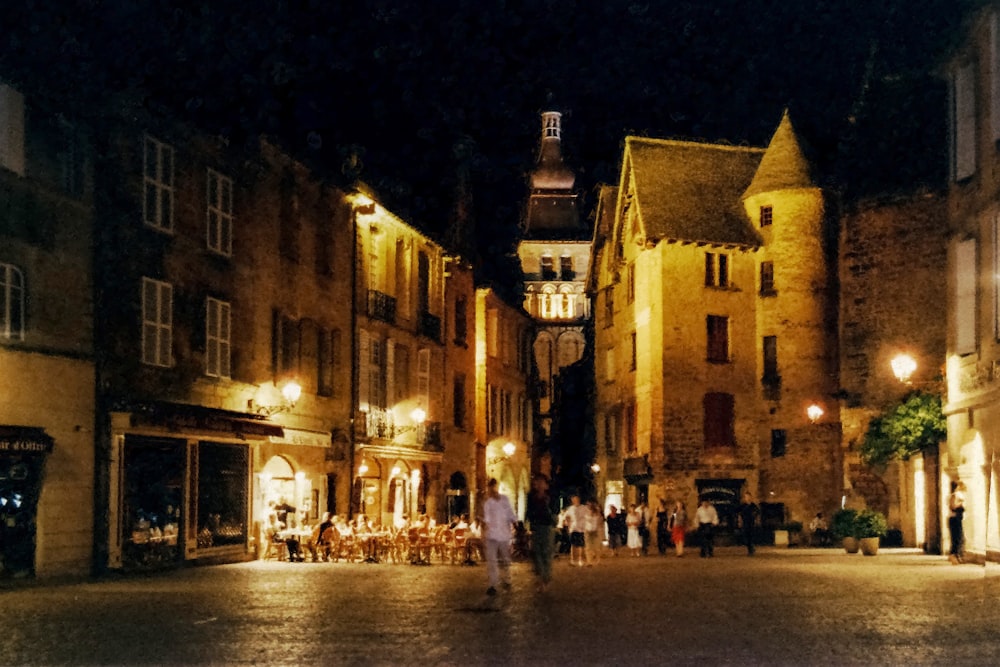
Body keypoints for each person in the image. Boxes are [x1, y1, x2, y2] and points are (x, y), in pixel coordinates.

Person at [481, 477, 517, 595]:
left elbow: (511, 514)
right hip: (492, 535)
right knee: (492, 561)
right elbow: (487, 520)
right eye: (490, 488)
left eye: (493, 487)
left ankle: (507, 578)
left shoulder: (505, 500)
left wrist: (515, 523)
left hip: (504, 535)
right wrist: (484, 534)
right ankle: (493, 584)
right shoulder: (488, 503)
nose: (491, 490)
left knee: (505, 558)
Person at [525, 473, 556, 591]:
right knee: (536, 553)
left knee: (546, 553)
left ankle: (545, 578)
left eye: (541, 482)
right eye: (536, 482)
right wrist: (527, 525)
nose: (538, 484)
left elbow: (554, 510)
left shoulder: (549, 497)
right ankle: (541, 577)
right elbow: (528, 511)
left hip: (547, 527)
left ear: (545, 484)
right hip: (536, 527)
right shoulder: (531, 496)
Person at [564, 494, 588, 566]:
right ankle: (573, 560)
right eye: (573, 499)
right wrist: (568, 525)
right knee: (573, 545)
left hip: (581, 529)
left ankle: (582, 560)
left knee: (582, 545)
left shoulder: (584, 508)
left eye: (576, 499)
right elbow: (567, 516)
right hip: (573, 528)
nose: (575, 501)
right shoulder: (570, 509)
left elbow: (588, 516)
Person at [948, 481, 966, 564]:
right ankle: (954, 556)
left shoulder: (953, 495)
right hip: (955, 518)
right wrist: (960, 505)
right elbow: (953, 506)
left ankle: (956, 556)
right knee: (957, 538)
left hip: (954, 518)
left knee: (957, 538)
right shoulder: (956, 495)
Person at [737, 492, 759, 556]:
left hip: (751, 523)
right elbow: (739, 514)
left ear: (751, 497)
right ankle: (750, 548)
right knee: (745, 537)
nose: (747, 498)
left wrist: (756, 520)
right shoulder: (743, 506)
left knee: (751, 537)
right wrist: (739, 521)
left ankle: (751, 550)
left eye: (748, 497)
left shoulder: (753, 506)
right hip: (745, 523)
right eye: (746, 497)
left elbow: (757, 513)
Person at [584, 500, 603, 566]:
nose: (588, 506)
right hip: (588, 530)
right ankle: (589, 561)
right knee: (588, 547)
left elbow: (600, 521)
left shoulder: (597, 512)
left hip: (595, 531)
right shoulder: (585, 512)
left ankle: (598, 560)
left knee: (596, 547)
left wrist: (599, 529)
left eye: (589, 505)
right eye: (587, 505)